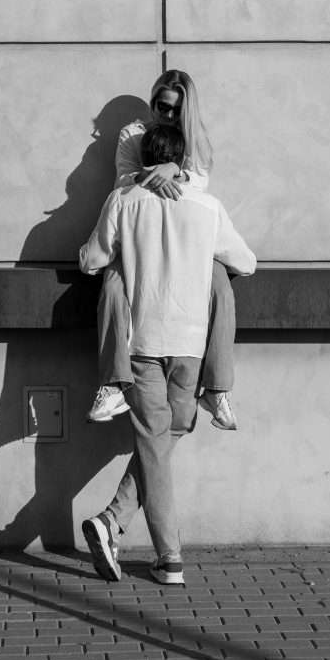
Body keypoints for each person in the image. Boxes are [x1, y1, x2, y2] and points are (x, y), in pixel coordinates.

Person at [78, 123, 256, 586]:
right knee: (164, 437)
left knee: (161, 439)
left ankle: (113, 522)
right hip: (190, 343)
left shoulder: (124, 200)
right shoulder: (207, 206)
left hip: (142, 342)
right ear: (181, 160)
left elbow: (91, 260)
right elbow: (246, 262)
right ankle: (168, 556)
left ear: (141, 159)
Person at [87, 69, 239, 433]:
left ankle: (217, 387)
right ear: (152, 100)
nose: (167, 115)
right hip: (138, 234)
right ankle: (113, 383)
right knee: (113, 288)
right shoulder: (133, 133)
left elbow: (199, 184)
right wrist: (157, 174)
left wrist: (176, 171)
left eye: (174, 109)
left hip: (187, 246)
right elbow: (123, 178)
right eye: (161, 106)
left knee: (221, 289)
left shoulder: (196, 138)